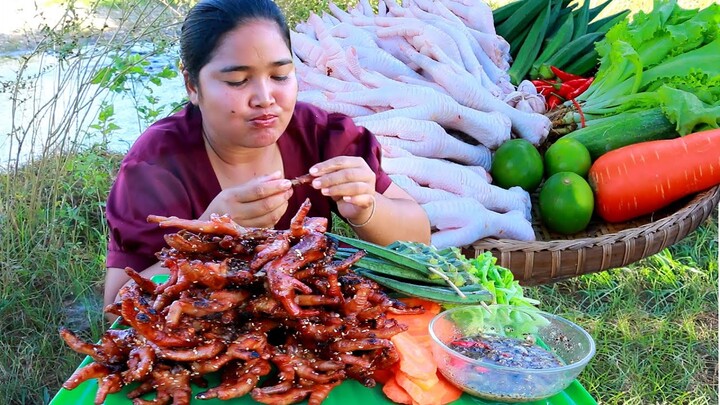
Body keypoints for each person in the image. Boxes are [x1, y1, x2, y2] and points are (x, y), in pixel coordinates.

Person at [103, 0, 431, 309]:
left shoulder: (320, 136)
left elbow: (420, 243)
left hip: (305, 317)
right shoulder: (155, 167)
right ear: (192, 85)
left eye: (279, 76)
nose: (264, 98)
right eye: (237, 80)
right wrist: (204, 238)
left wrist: (368, 208)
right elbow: (117, 309)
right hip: (201, 331)